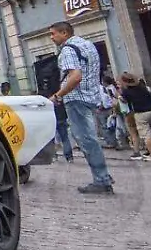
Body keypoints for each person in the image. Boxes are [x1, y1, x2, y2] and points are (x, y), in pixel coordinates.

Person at [49, 21, 114, 194]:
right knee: (89, 137)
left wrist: (58, 95)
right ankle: (103, 176)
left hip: (76, 98)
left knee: (86, 139)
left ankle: (102, 179)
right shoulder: (88, 45)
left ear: (64, 33)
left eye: (53, 34)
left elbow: (75, 76)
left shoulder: (68, 50)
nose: (51, 37)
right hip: (90, 96)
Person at [118, 72, 151, 161]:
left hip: (140, 113)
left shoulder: (127, 91)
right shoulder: (143, 88)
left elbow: (125, 101)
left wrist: (119, 97)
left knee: (146, 135)